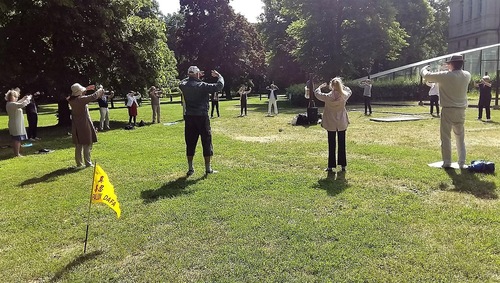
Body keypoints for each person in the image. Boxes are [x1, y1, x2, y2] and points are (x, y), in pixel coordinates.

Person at [421, 54, 471, 169]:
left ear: (452, 64)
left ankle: (447, 161)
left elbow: (427, 76)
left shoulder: (445, 76)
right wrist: (447, 69)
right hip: (461, 110)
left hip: (448, 110)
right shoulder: (467, 75)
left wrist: (424, 68)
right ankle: (462, 162)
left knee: (446, 137)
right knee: (460, 137)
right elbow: (452, 76)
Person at [179, 66, 224, 176]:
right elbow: (219, 86)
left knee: (190, 142)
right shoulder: (202, 85)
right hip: (202, 116)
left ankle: (190, 168)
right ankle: (208, 169)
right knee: (206, 141)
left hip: (189, 117)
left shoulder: (184, 85)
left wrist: (192, 76)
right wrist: (219, 76)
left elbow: (182, 81)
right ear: (197, 74)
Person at [312, 77, 352, 172]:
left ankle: (330, 166)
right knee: (342, 144)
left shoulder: (328, 97)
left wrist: (320, 87)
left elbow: (317, 94)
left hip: (330, 122)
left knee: (331, 144)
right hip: (341, 122)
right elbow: (349, 90)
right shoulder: (344, 96)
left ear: (331, 86)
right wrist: (342, 87)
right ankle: (343, 165)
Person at [67, 83, 104, 168]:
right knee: (87, 143)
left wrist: (86, 89)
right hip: (84, 124)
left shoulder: (71, 100)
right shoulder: (81, 100)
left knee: (78, 145)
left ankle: (79, 163)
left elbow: (78, 95)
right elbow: (93, 96)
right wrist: (100, 89)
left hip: (76, 125)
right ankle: (88, 162)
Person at [5, 89, 31, 157]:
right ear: (12, 97)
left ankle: (17, 152)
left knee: (16, 139)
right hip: (16, 124)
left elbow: (18, 103)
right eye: (15, 97)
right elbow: (21, 105)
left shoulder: (10, 104)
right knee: (17, 139)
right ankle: (17, 154)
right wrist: (28, 99)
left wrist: (23, 98)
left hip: (15, 123)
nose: (17, 98)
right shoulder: (11, 104)